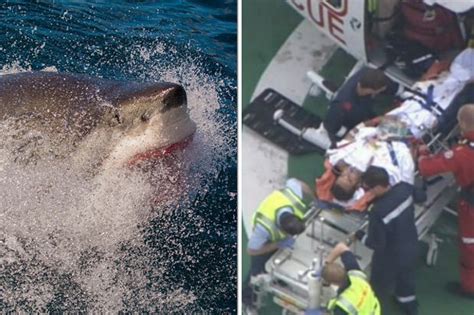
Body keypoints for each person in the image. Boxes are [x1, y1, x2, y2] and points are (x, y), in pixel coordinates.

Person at [417, 104, 474, 295]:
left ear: (463, 124)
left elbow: (427, 168)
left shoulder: (463, 153)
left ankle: (470, 288)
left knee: (470, 247)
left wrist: (423, 153)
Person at [354, 166, 419, 315]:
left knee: (378, 287)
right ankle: (410, 307)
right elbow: (421, 195)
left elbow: (376, 244)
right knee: (406, 279)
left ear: (377, 187)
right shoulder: (404, 188)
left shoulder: (378, 211)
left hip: (390, 257)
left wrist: (360, 236)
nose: (367, 192)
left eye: (368, 189)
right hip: (411, 243)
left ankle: (371, 309)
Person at [242, 178, 312, 312]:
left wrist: (316, 198)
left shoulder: (292, 197)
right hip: (265, 244)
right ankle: (247, 301)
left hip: (278, 239)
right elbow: (251, 250)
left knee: (282, 263)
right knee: (256, 274)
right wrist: (278, 244)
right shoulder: (264, 229)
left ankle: (280, 281)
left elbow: (298, 182)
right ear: (283, 230)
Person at [322, 67, 396, 146]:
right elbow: (330, 126)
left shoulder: (367, 73)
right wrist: (352, 135)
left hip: (364, 117)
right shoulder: (341, 104)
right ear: (370, 90)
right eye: (379, 91)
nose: (379, 92)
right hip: (346, 132)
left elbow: (389, 86)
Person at [322, 242, 381, 315]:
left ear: (333, 283)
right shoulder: (357, 275)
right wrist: (326, 263)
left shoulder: (342, 306)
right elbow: (342, 247)